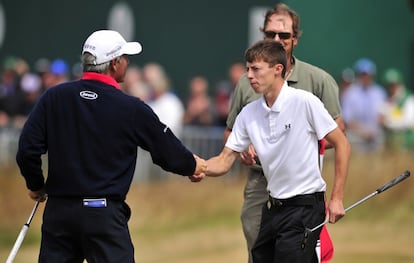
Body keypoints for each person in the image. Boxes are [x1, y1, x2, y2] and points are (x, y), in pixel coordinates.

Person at [15, 29, 206, 263]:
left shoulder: (53, 97)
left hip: (59, 214)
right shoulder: (130, 107)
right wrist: (191, 166)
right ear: (115, 64)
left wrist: (36, 185)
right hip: (103, 216)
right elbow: (166, 149)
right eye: (125, 57)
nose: (127, 62)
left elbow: (27, 149)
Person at [194, 39, 350, 262]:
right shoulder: (249, 113)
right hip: (273, 208)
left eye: (255, 69)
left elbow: (342, 143)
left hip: (305, 208)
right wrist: (198, 166)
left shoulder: (305, 102)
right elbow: (224, 160)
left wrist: (337, 198)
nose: (249, 75)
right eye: (248, 69)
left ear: (278, 69)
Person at [223, 3, 344, 262]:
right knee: (259, 252)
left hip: (301, 189)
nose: (277, 39)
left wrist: (288, 144)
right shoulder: (247, 82)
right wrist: (244, 148)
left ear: (295, 39)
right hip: (260, 184)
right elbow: (231, 134)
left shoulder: (317, 81)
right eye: (270, 34)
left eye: (284, 35)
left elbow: (338, 135)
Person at [341, 58, 387, 152]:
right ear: (358, 75)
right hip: (356, 135)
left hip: (375, 135)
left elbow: (383, 115)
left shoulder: (379, 92)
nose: (366, 78)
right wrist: (364, 132)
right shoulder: (350, 93)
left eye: (368, 75)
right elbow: (347, 120)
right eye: (363, 75)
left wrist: (374, 130)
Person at [380, 68, 414, 150]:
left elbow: (408, 122)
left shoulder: (409, 99)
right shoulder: (388, 100)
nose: (392, 87)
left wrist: (388, 122)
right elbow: (381, 116)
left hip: (407, 142)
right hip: (392, 141)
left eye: (394, 84)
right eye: (389, 85)